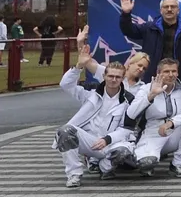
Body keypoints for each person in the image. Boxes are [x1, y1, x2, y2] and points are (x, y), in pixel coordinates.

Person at [54, 47, 136, 187]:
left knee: (122, 152)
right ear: (104, 76)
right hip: (90, 141)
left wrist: (107, 139)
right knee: (65, 131)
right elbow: (65, 85)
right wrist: (79, 66)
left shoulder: (129, 100)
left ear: (123, 78)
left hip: (111, 143)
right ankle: (74, 174)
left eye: (117, 77)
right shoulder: (90, 92)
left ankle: (104, 166)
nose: (113, 80)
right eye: (110, 76)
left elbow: (127, 129)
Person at [124, 58, 181, 177]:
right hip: (153, 132)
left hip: (175, 130)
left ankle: (178, 164)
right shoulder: (146, 88)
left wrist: (172, 122)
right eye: (166, 71)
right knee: (145, 164)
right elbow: (131, 113)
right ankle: (153, 156)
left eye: (174, 71)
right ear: (158, 73)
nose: (171, 75)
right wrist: (151, 95)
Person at [118, 0, 181, 82]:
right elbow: (129, 31)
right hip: (152, 79)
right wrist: (126, 14)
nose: (169, 9)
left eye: (173, 7)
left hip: (177, 79)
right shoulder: (149, 28)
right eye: (166, 7)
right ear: (161, 10)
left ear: (178, 10)